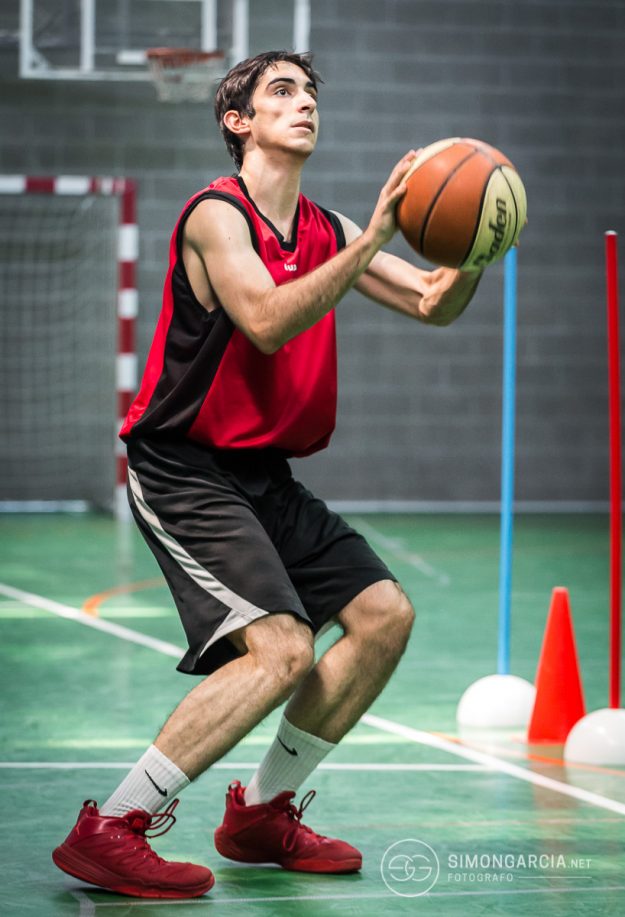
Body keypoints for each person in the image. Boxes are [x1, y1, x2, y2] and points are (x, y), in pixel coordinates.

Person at [52, 50, 485, 899]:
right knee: (282, 647)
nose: (304, 103)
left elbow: (435, 302)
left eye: (311, 92)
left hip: (264, 472)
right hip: (183, 467)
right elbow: (264, 321)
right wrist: (373, 239)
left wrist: (475, 242)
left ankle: (261, 815)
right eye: (281, 91)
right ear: (237, 122)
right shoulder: (215, 217)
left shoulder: (322, 228)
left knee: (383, 615)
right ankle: (112, 825)